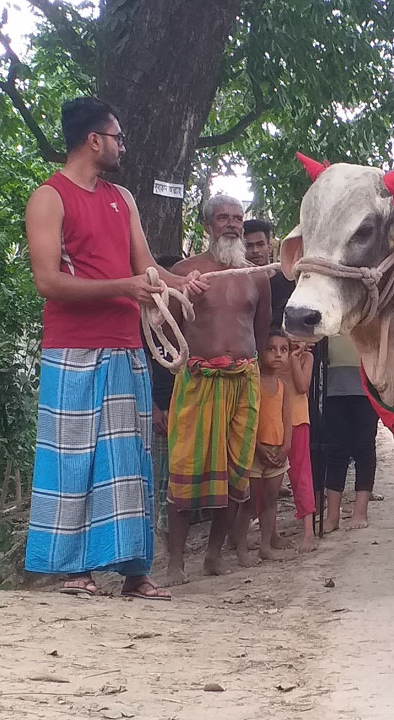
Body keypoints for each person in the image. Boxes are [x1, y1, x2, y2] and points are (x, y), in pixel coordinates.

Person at [24, 97, 206, 600]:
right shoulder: (49, 197)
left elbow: (146, 267)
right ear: (93, 140)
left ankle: (134, 572)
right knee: (73, 458)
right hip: (72, 350)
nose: (122, 144)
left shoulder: (121, 198)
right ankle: (74, 571)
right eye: (117, 136)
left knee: (130, 460)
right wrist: (124, 288)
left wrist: (180, 284)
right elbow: (47, 281)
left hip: (126, 348)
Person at [164, 193, 270, 583]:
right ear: (207, 225)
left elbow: (259, 335)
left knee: (236, 473)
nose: (231, 224)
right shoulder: (186, 272)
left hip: (244, 382)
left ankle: (213, 555)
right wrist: (164, 398)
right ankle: (175, 564)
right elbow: (168, 333)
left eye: (237, 218)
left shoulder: (257, 276)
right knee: (184, 471)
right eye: (223, 217)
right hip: (197, 381)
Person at [323, 334, 377, 531]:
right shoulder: (330, 318)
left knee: (364, 448)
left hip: (367, 388)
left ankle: (360, 512)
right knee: (336, 450)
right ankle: (332, 515)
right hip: (333, 389)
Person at [249, 330, 293, 560]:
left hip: (277, 452)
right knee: (248, 502)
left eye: (283, 350)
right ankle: (240, 547)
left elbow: (288, 419)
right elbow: (249, 419)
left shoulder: (283, 386)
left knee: (270, 501)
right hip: (256, 452)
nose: (277, 355)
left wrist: (286, 447)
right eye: (271, 349)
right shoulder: (252, 383)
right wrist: (257, 446)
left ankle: (265, 546)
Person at [148, 254, 182, 538]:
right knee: (161, 472)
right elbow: (141, 364)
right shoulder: (146, 322)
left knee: (184, 468)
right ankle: (161, 525)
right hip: (161, 408)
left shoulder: (188, 319)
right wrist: (153, 408)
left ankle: (184, 519)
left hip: (188, 404)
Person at [283, 338, 318, 552]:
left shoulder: (306, 357)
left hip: (297, 419)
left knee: (301, 475)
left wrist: (295, 359)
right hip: (272, 420)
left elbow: (303, 386)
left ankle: (308, 531)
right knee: (267, 476)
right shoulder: (274, 353)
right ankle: (272, 534)